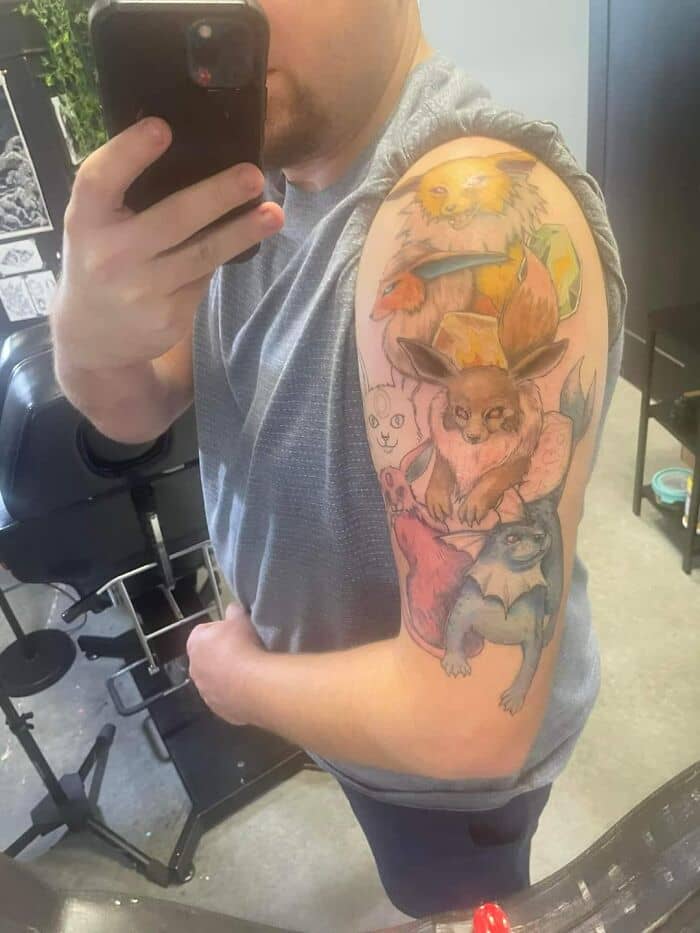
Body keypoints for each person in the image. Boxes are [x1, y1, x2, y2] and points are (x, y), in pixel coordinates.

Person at [51, 0, 626, 919]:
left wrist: (240, 682)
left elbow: (465, 724)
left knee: (450, 904)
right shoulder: (244, 189)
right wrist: (83, 337)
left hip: (434, 786)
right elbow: (141, 402)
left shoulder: (467, 211)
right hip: (345, 712)